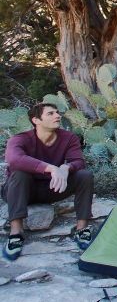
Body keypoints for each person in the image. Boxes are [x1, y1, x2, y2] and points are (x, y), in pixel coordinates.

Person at [2, 103, 95, 260]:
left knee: (85, 175)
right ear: (36, 120)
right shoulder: (20, 139)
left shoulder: (68, 138)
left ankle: (81, 229)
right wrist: (51, 168)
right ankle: (16, 233)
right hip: (21, 190)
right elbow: (14, 159)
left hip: (52, 188)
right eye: (50, 113)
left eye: (57, 112)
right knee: (19, 174)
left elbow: (78, 161)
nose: (57, 116)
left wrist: (66, 168)